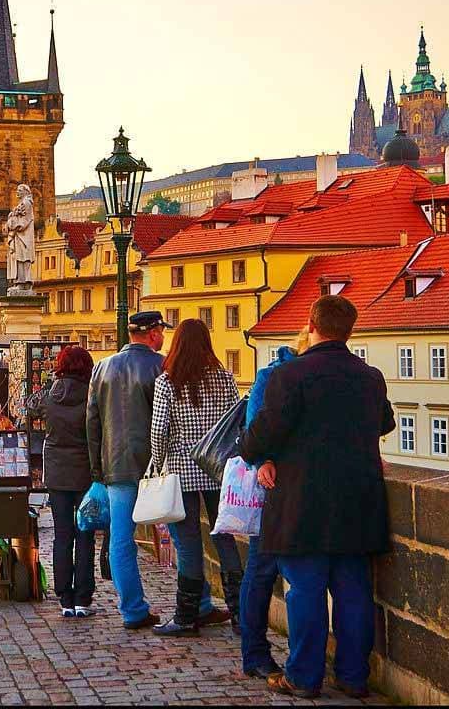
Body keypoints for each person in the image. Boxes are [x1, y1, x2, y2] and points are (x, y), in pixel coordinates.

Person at [241, 295, 394, 699]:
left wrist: (259, 455)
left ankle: (304, 678)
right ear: (350, 330)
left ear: (312, 324)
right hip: (358, 501)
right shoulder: (371, 376)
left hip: (302, 502)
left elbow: (261, 435)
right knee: (354, 592)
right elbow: (386, 422)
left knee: (305, 590)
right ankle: (352, 676)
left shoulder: (291, 376)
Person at [148, 319, 243, 636]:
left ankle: (186, 618)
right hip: (218, 469)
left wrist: (157, 464)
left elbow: (159, 431)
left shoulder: (168, 382)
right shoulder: (224, 379)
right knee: (225, 539)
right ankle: (242, 616)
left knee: (188, 546)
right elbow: (236, 424)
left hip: (181, 470)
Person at [85, 310, 169, 630]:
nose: (162, 335)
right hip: (154, 467)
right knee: (179, 531)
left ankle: (133, 610)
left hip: (116, 465)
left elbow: (92, 423)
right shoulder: (160, 365)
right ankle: (198, 601)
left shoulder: (102, 368)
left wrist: (97, 470)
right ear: (152, 334)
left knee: (121, 540)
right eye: (161, 330)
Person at [236, 328, 307, 679]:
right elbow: (252, 429)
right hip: (271, 489)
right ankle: (254, 652)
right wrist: (261, 460)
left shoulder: (305, 376)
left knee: (271, 572)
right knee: (262, 570)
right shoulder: (271, 377)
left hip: (300, 488)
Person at [43, 345, 97, 619]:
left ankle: (64, 597)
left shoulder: (49, 395)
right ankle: (83, 598)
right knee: (85, 535)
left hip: (56, 474)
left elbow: (28, 410)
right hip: (85, 474)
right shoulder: (92, 395)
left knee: (62, 536)